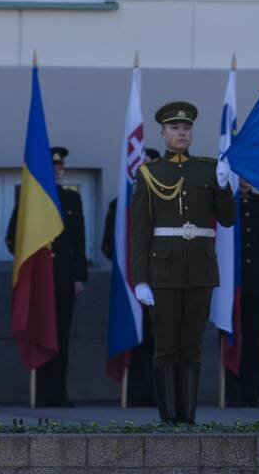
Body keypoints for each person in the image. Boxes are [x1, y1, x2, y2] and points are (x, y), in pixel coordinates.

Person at [130, 102, 235, 424]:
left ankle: (187, 418)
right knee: (165, 347)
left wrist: (223, 187)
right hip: (163, 271)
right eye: (175, 129)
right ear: (163, 134)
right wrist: (141, 278)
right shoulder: (150, 173)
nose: (181, 133)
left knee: (191, 347)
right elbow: (139, 230)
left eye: (186, 129)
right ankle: (168, 417)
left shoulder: (207, 168)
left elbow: (228, 219)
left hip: (200, 270)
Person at [7, 146, 88, 407]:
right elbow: (12, 239)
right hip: (39, 281)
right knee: (40, 333)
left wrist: (80, 276)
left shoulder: (72, 200)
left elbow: (79, 240)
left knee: (62, 336)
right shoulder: (30, 201)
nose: (57, 171)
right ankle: (40, 392)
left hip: (64, 280)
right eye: (52, 167)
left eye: (60, 167)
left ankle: (58, 392)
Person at [103, 147, 160, 406]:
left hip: (161, 283)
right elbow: (108, 245)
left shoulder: (168, 203)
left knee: (158, 340)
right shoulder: (120, 205)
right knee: (134, 338)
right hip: (131, 284)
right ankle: (136, 392)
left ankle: (159, 393)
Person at [225, 178, 259, 407]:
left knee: (255, 338)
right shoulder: (225, 203)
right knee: (231, 337)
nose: (244, 179)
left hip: (257, 280)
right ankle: (232, 392)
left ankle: (251, 392)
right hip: (230, 282)